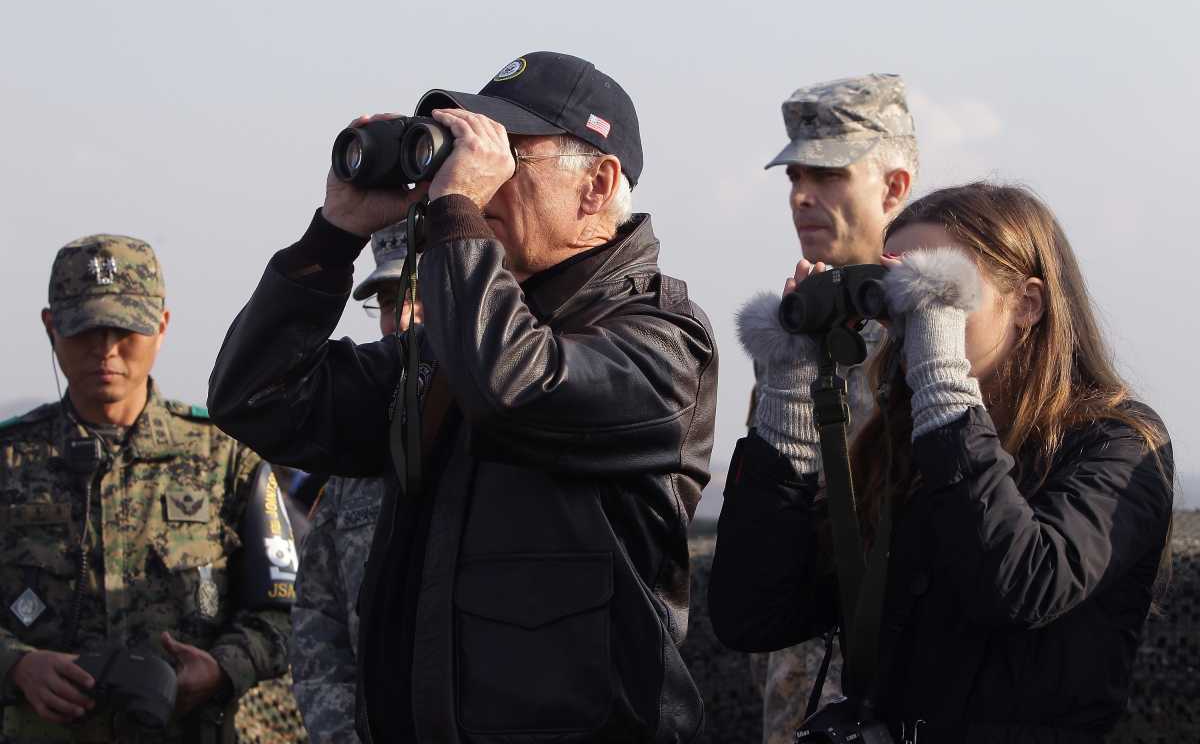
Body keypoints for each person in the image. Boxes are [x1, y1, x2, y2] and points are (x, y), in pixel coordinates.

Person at [208, 51, 718, 742]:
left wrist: (453, 213)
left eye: (509, 155)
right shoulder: (455, 343)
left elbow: (512, 387)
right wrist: (335, 234)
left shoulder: (662, 337)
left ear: (597, 185)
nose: (478, 180)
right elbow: (258, 398)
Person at [709, 183, 1174, 743]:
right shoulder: (900, 446)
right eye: (899, 292)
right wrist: (787, 403)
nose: (913, 316)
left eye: (938, 288)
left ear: (1028, 302)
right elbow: (756, 614)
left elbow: (1021, 586)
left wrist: (944, 389)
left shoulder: (1118, 444)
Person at [0, 235, 293, 743]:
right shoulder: (8, 461)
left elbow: (286, 610)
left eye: (125, 329)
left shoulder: (227, 458)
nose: (106, 349)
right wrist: (16, 666)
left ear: (161, 325)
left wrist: (222, 669)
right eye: (86, 329)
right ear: (52, 327)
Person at [747, 73, 918, 743]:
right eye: (794, 175)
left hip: (902, 694)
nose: (799, 195)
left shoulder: (943, 332)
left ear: (894, 186)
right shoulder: (797, 328)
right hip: (798, 697)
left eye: (827, 173)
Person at [289, 221, 417, 743]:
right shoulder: (359, 455)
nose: (401, 320)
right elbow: (318, 614)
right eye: (389, 302)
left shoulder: (518, 432)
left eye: (423, 292)